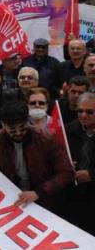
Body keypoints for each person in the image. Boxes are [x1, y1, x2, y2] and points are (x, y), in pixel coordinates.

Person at [0, 101, 74, 212]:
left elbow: (66, 172)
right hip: (10, 199)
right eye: (12, 130)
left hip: (44, 201)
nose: (18, 133)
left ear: (28, 121)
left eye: (22, 128)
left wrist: (38, 192)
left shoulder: (46, 138)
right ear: (2, 124)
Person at [62, 92, 95, 234]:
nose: (83, 115)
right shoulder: (67, 130)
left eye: (89, 112)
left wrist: (92, 174)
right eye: (80, 111)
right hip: (72, 196)